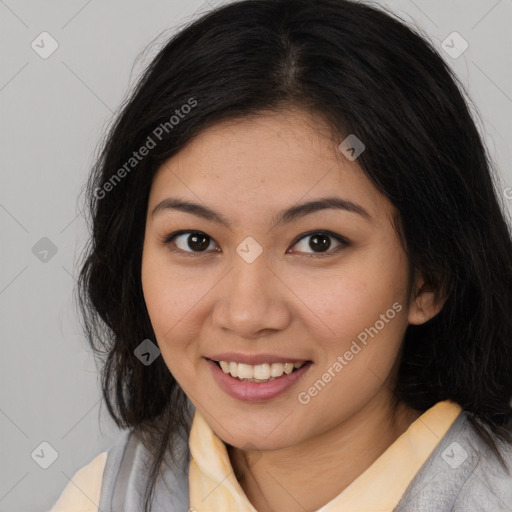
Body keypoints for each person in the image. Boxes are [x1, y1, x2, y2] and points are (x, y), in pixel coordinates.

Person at [49, 0, 512, 510]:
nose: (246, 315)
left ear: (429, 279)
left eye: (318, 242)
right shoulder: (100, 497)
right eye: (195, 241)